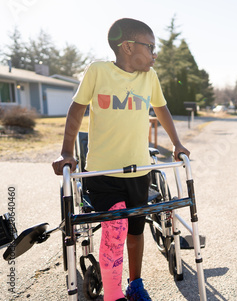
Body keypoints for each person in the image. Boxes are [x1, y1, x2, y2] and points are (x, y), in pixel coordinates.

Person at [52, 18, 190, 301]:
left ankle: (135, 284)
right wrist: (67, 152)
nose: (155, 54)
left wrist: (177, 144)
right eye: (150, 46)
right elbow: (76, 111)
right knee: (116, 229)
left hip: (139, 171)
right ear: (127, 46)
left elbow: (162, 111)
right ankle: (113, 295)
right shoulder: (98, 71)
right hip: (103, 173)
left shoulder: (149, 78)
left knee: (136, 230)